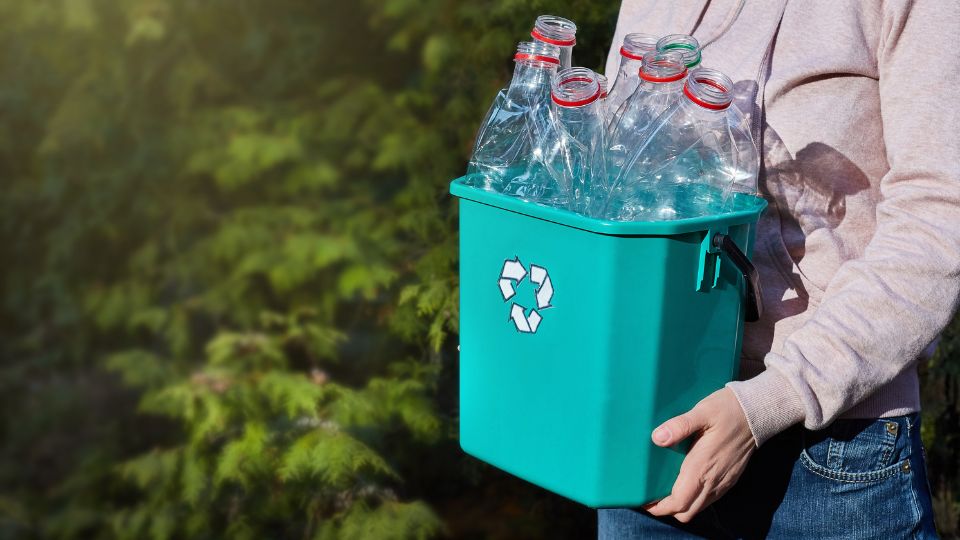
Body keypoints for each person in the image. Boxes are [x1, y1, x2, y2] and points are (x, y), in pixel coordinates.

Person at [598, 0, 960, 538]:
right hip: (650, 425)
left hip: (832, 457)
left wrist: (767, 403)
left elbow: (940, 214)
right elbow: (610, 187)